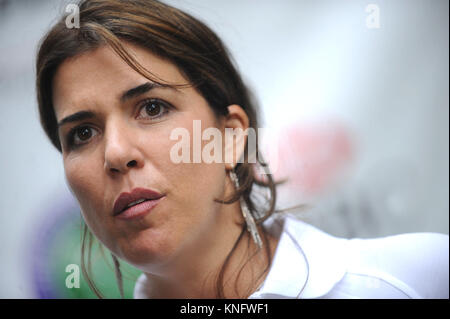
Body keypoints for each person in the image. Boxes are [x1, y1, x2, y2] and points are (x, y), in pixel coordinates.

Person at [36, 0, 449, 299]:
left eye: (152, 107)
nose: (115, 152)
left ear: (232, 136)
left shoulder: (416, 278)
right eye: (82, 134)